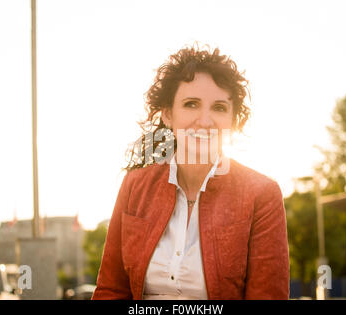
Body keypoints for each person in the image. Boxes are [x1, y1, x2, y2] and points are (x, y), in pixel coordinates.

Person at [91, 44, 289, 300]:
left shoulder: (262, 194)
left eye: (219, 108)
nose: (205, 121)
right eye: (191, 104)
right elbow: (111, 290)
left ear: (233, 121)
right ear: (168, 115)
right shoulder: (134, 186)